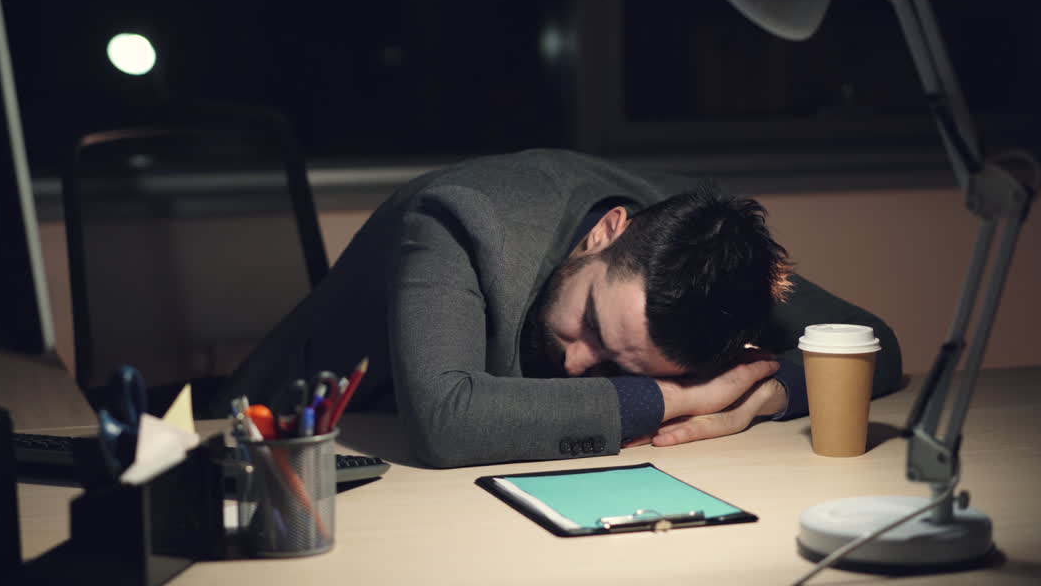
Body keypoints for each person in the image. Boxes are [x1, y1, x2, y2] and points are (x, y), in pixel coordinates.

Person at [212, 149, 901, 467]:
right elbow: (446, 422)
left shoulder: (706, 254)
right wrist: (681, 399)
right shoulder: (461, 217)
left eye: (626, 366)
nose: (576, 363)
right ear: (607, 233)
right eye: (592, 325)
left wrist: (761, 397)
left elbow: (875, 342)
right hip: (281, 451)